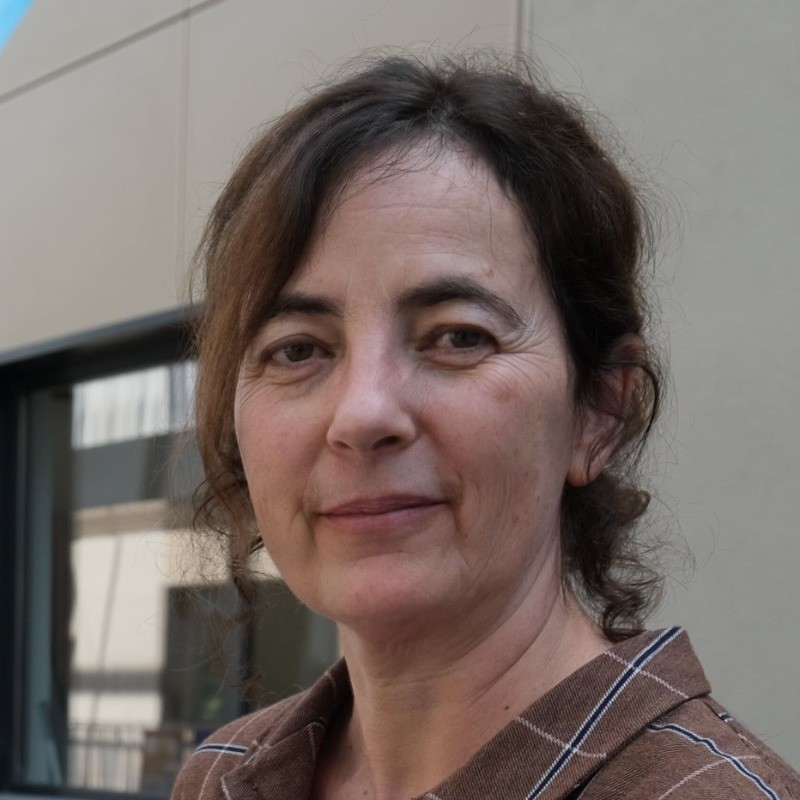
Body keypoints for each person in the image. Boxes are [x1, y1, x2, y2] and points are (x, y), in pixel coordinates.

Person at [171, 53, 799, 800]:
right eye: (298, 350)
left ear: (600, 411)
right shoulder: (221, 777)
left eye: (459, 337)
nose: (363, 414)